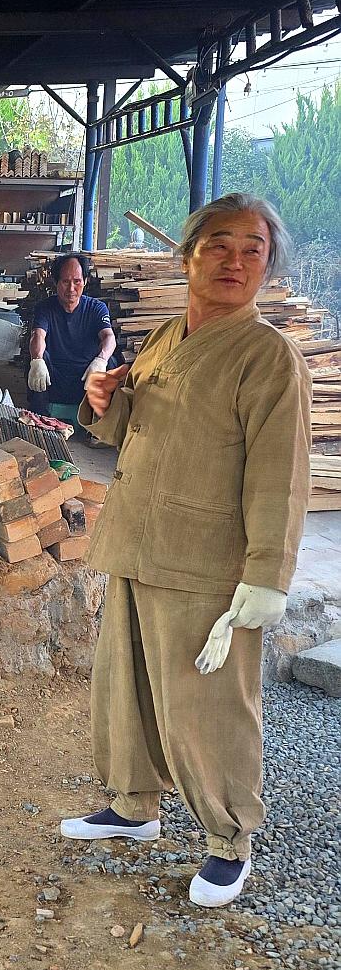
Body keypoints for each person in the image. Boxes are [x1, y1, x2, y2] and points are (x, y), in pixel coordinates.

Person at [60, 194, 312, 909]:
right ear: (187, 256)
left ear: (267, 266)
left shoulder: (268, 357)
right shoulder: (168, 336)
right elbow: (127, 431)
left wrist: (267, 574)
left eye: (253, 249)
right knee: (128, 687)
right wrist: (103, 399)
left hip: (208, 560)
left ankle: (229, 839)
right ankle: (132, 805)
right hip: (139, 539)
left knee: (209, 705)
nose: (235, 260)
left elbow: (280, 475)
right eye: (218, 244)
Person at [27, 251, 117, 424]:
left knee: (111, 362)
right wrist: (36, 360)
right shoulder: (45, 308)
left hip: (86, 377)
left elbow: (108, 336)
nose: (71, 289)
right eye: (65, 282)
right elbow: (38, 335)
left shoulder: (97, 308)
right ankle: (40, 422)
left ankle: (99, 426)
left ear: (85, 281)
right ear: (56, 282)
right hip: (55, 377)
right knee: (37, 361)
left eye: (77, 281)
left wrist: (101, 360)